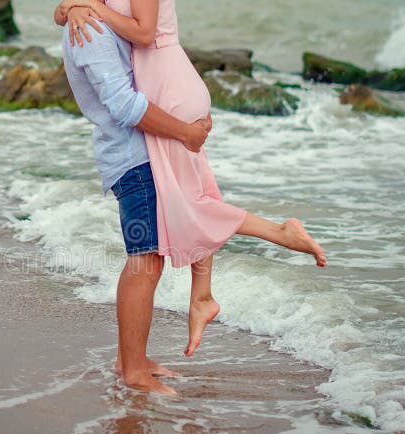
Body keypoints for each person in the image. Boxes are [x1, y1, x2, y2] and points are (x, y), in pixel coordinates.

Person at [55, 0, 326, 360]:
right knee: (186, 210)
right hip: (159, 110)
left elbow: (144, 35)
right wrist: (71, 10)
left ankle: (150, 347)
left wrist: (87, 9)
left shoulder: (97, 13)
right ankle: (198, 301)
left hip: (165, 100)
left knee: (160, 241)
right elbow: (65, 13)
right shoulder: (90, 16)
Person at [60, 12, 212, 395]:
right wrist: (186, 134)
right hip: (132, 161)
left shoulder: (91, 18)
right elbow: (124, 106)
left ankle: (132, 359)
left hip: (143, 155)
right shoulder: (89, 31)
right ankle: (132, 372)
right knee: (144, 259)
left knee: (149, 259)